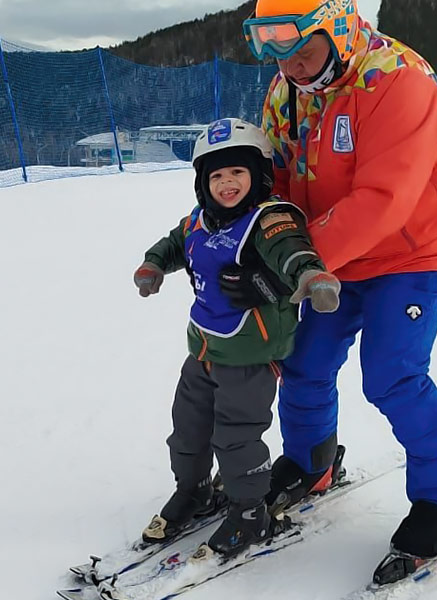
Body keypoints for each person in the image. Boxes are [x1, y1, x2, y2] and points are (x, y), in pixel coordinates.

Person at [237, 0, 437, 585]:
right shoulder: (285, 92)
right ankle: (310, 461)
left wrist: (295, 265)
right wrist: (259, 250)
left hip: (409, 251)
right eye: (274, 51)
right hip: (331, 254)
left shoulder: (400, 82)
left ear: (339, 29)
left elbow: (382, 201)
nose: (289, 66)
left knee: (392, 374)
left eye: (301, 50)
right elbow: (285, 183)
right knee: (302, 362)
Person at [132, 118, 342, 559]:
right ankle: (193, 491)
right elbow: (173, 244)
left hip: (249, 358)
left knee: (236, 438)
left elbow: (293, 251)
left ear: (258, 176)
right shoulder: (199, 221)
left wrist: (313, 277)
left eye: (237, 173)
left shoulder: (268, 219)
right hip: (204, 350)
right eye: (216, 175)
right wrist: (154, 265)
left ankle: (250, 511)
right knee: (187, 433)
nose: (227, 183)